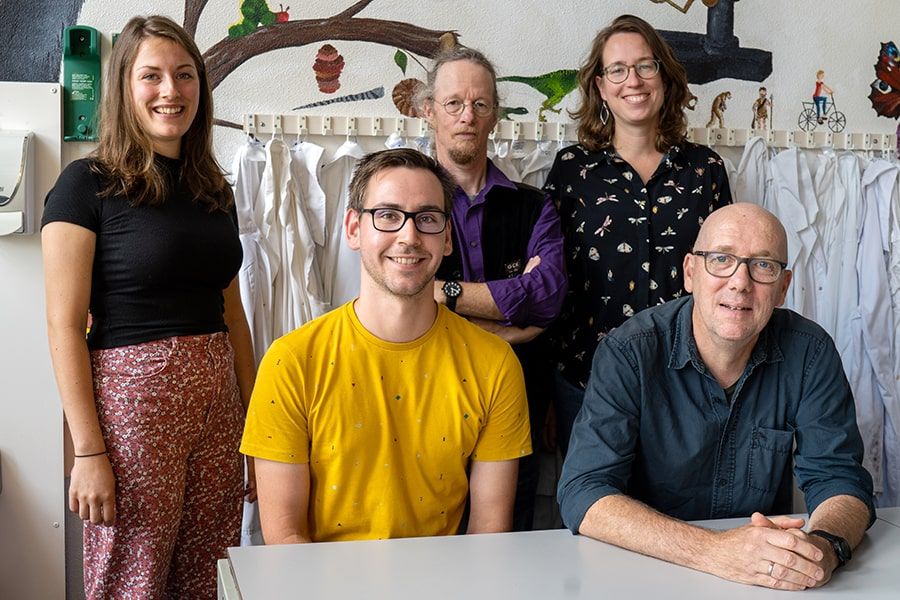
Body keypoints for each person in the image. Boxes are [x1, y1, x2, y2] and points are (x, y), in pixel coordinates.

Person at [41, 15, 256, 600]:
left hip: (218, 407)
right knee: (132, 578)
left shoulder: (215, 187)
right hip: (136, 409)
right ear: (124, 88)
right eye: (152, 76)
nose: (171, 91)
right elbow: (63, 325)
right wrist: (87, 451)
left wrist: (254, 430)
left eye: (185, 76)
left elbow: (232, 315)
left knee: (208, 574)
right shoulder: (84, 184)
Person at [558, 203, 875, 591]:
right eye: (721, 259)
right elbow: (584, 492)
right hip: (640, 572)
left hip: (760, 580)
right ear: (690, 272)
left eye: (762, 265)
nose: (740, 282)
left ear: (783, 288)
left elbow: (839, 478)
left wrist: (822, 548)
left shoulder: (810, 352)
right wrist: (714, 551)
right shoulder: (630, 352)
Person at [241, 148, 532, 543]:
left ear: (447, 238)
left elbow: (488, 537)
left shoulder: (495, 365)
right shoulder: (290, 362)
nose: (409, 236)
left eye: (427, 218)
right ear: (354, 230)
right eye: (388, 215)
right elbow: (286, 542)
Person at [543, 14, 732, 456]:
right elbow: (553, 281)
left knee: (680, 519)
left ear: (664, 78)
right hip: (585, 380)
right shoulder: (573, 169)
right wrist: (547, 392)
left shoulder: (705, 169)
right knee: (594, 513)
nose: (634, 80)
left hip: (686, 381)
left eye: (646, 66)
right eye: (618, 70)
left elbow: (723, 275)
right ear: (601, 87)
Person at [418, 46, 567, 531]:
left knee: (507, 546)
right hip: (424, 398)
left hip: (516, 401)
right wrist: (508, 321)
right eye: (454, 103)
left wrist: (447, 292)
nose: (468, 116)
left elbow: (545, 297)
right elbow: (405, 293)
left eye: (480, 104)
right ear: (429, 112)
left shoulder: (535, 205)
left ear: (495, 115)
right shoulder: (402, 201)